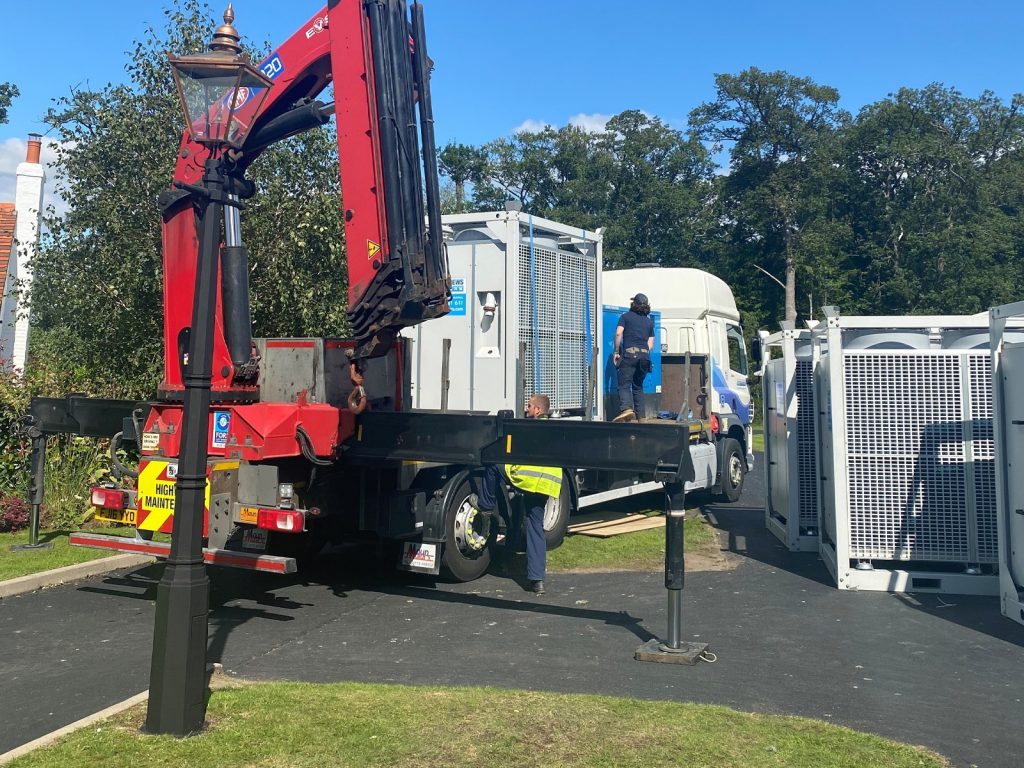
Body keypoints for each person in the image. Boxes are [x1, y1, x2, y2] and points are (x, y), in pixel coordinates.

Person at [473, 394, 561, 595]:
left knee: (494, 466)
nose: (526, 408)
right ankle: (537, 580)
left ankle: (485, 506)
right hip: (547, 485)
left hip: (527, 479)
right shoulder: (556, 430)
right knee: (534, 525)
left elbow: (514, 452)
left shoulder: (528, 428)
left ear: (538, 410)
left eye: (529, 405)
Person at [613, 292, 654, 422]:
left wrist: (616, 352)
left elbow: (619, 333)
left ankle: (626, 409)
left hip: (630, 354)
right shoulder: (649, 322)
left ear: (633, 304)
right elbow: (650, 344)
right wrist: (643, 353)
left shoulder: (625, 317)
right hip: (645, 357)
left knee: (624, 384)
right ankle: (641, 417)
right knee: (638, 386)